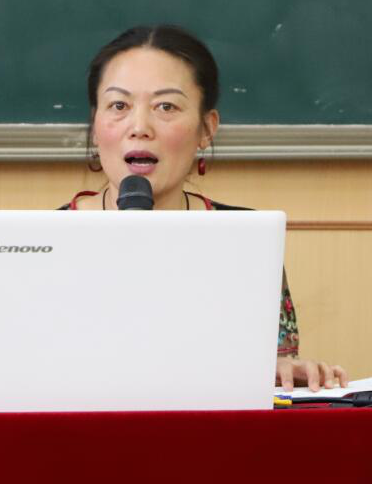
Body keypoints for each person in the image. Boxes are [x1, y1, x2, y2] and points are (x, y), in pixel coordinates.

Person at [62, 25, 348, 391]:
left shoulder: (244, 239)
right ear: (95, 124)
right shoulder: (43, 240)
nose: (139, 127)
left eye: (166, 107)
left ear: (206, 129)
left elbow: (271, 365)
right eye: (119, 106)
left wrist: (281, 369)